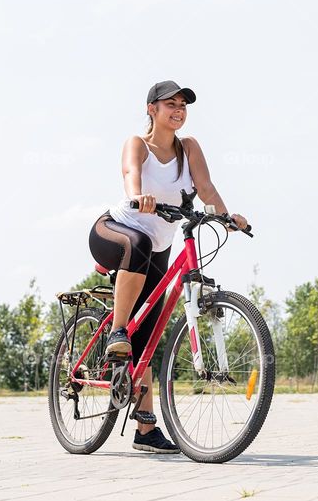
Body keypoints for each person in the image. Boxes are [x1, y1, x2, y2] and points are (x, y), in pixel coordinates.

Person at [88, 80, 249, 455]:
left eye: (183, 105)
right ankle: (116, 331)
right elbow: (132, 175)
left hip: (158, 248)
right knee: (139, 245)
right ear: (152, 109)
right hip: (115, 231)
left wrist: (227, 217)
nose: (178, 110)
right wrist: (137, 197)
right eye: (169, 104)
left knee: (147, 335)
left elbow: (205, 189)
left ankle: (145, 428)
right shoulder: (137, 144)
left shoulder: (188, 147)